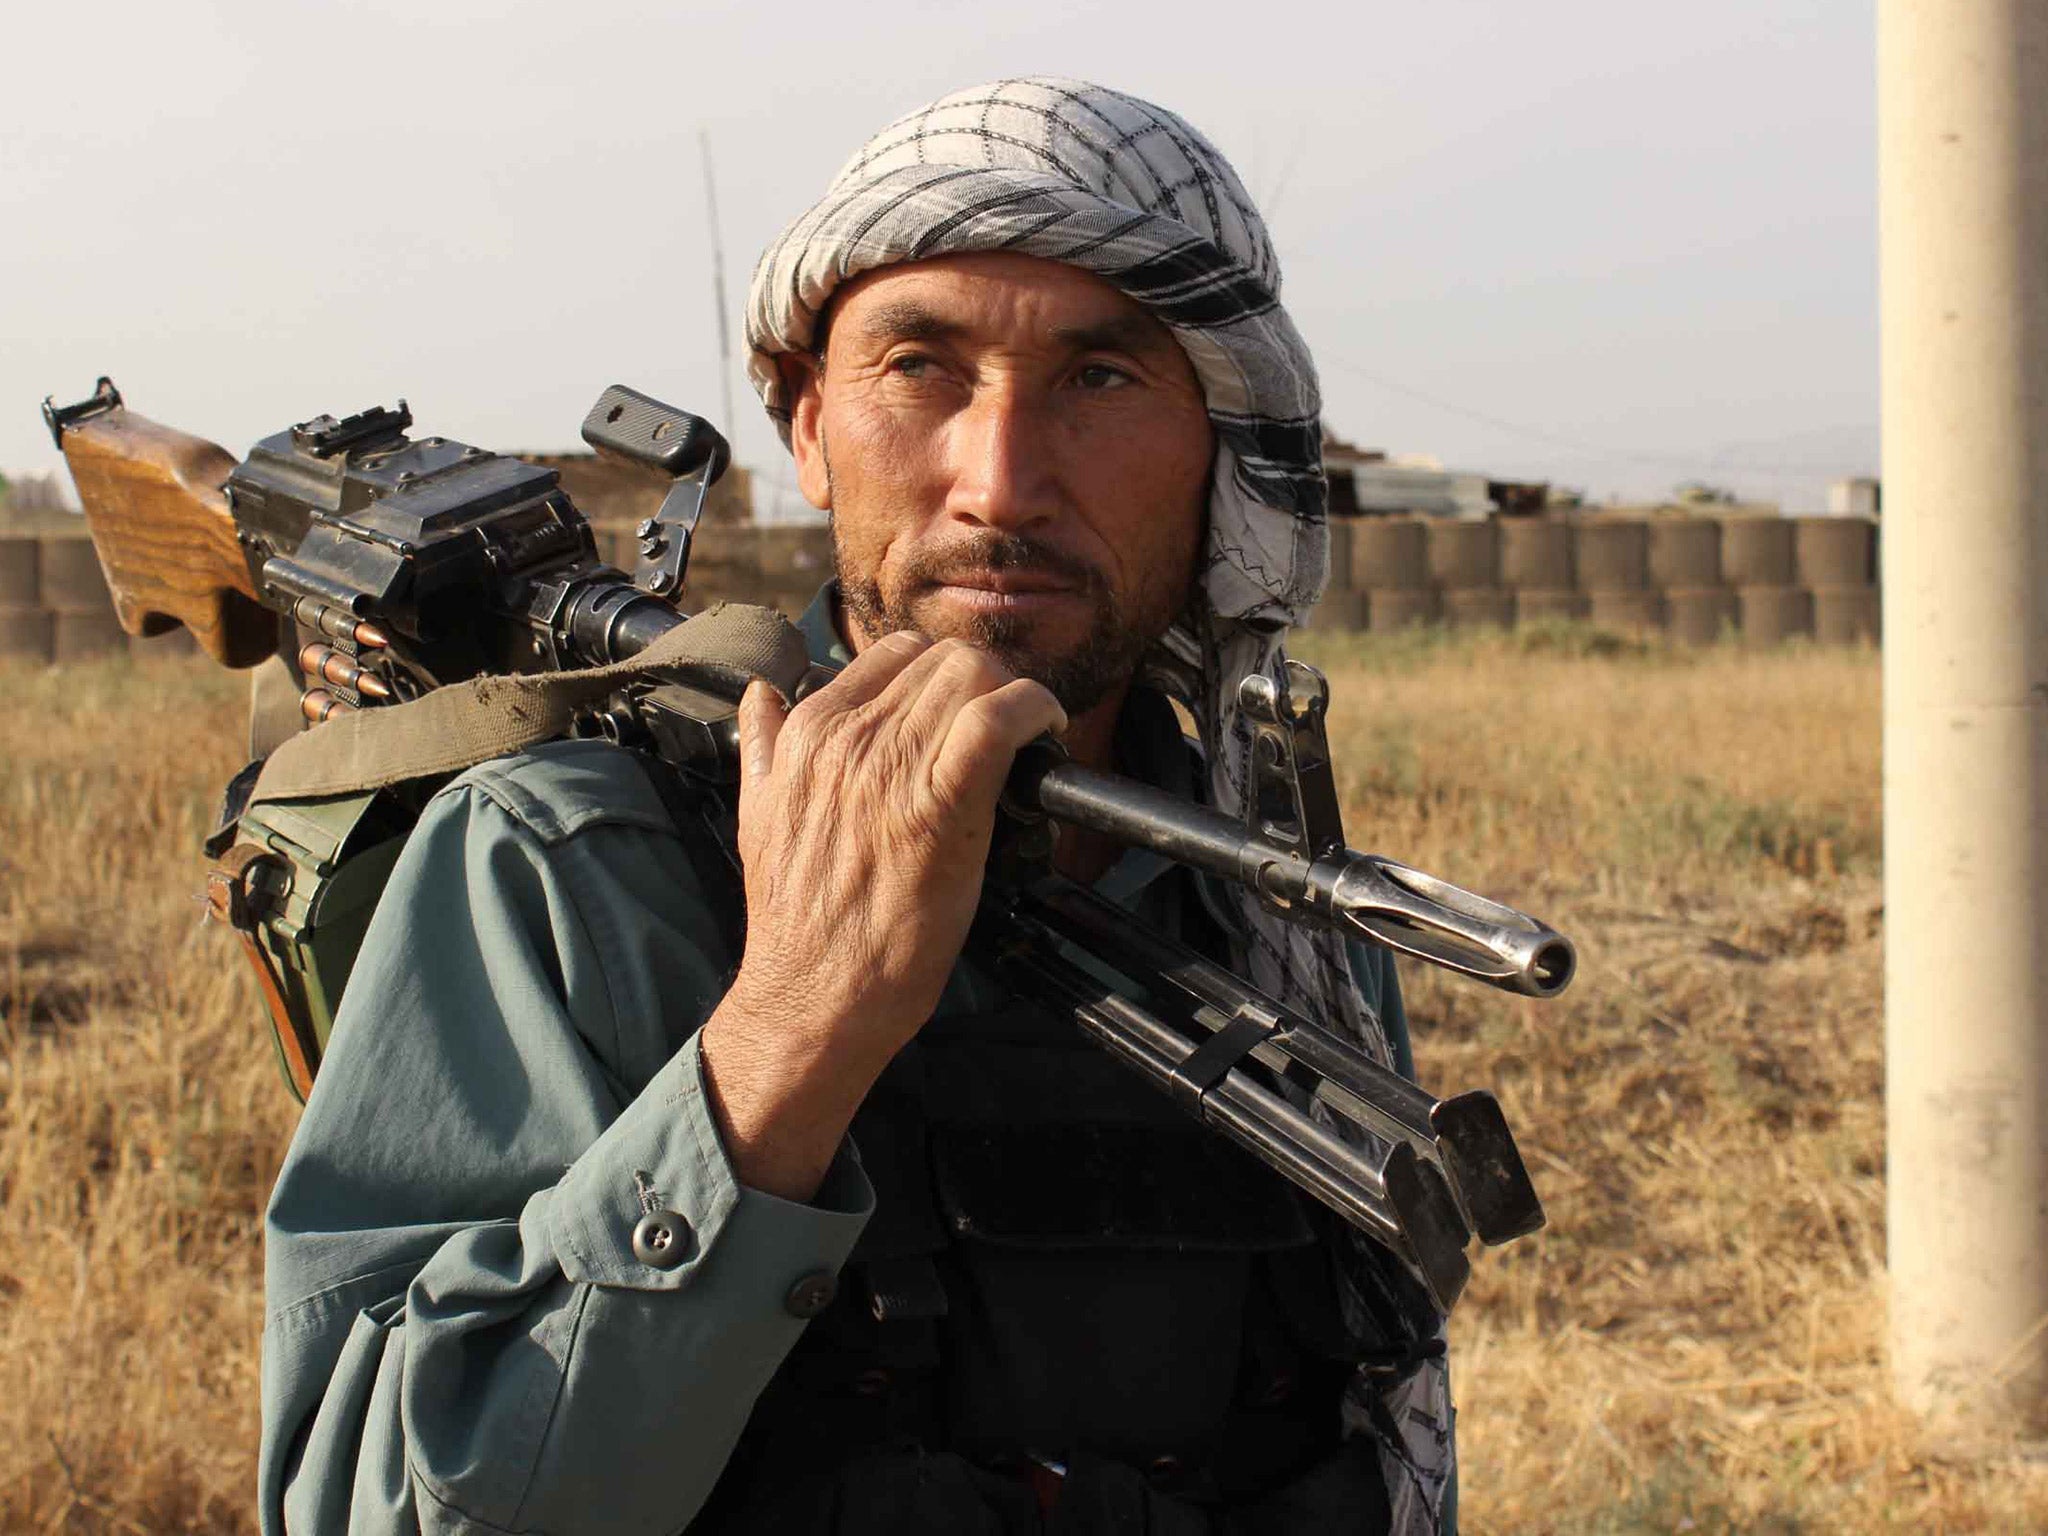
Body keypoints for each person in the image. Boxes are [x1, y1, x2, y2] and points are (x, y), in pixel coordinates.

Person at [257, 78, 1456, 1535]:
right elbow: (364, 1511)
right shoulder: (571, 862)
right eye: (920, 368)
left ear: (1225, 449)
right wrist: (790, 1031)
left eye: (1102, 378)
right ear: (809, 422)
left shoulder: (1285, 920)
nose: (999, 484)